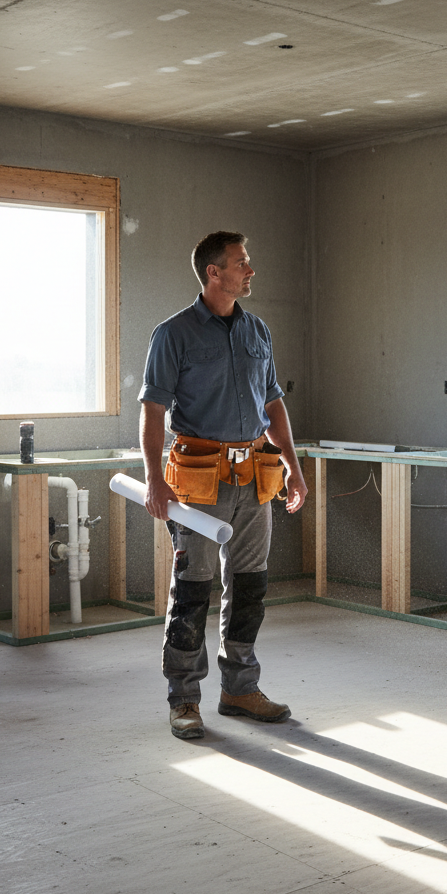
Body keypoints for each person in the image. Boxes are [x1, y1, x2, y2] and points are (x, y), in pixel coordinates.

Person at [138, 231, 308, 740]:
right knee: (193, 592)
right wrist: (153, 478)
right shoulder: (173, 334)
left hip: (256, 477)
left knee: (250, 587)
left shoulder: (258, 332)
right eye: (241, 263)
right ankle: (184, 698)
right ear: (215, 272)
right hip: (199, 483)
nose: (250, 270)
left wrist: (295, 469)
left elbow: (272, 405)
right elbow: (152, 410)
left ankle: (240, 689)